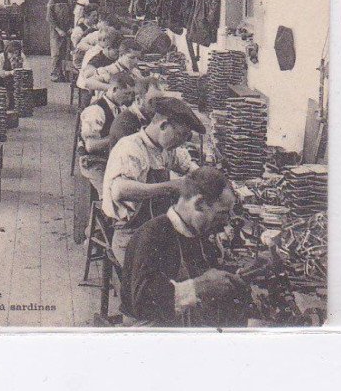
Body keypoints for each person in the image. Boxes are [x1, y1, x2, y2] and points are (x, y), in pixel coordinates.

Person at [121, 167, 248, 327]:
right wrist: (200, 286)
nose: (225, 222)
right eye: (221, 213)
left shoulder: (197, 232)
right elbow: (142, 304)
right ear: (199, 203)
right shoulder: (153, 235)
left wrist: (237, 275)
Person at [102, 96, 204, 265]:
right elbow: (120, 190)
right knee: (153, 282)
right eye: (180, 135)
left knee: (192, 262)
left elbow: (189, 168)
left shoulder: (166, 148)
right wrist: (170, 187)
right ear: (163, 125)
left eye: (186, 138)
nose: (181, 142)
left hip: (155, 228)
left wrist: (205, 178)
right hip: (130, 233)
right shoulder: (131, 147)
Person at [77, 72, 135, 193]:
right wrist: (118, 137)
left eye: (131, 94)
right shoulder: (96, 111)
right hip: (94, 161)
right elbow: (90, 146)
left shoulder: (120, 107)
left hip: (110, 157)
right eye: (126, 94)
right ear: (114, 89)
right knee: (113, 194)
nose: (129, 98)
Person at [109, 75, 165, 149]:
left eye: (162, 101)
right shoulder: (124, 123)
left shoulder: (147, 116)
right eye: (154, 101)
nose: (159, 107)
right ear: (138, 100)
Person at [75, 29, 121, 107]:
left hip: (94, 83)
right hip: (86, 86)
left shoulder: (104, 52)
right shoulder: (95, 53)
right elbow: (87, 73)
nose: (118, 56)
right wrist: (103, 72)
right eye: (117, 52)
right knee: (88, 107)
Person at [47, 0, 73, 82]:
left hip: (66, 31)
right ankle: (54, 74)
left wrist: (70, 27)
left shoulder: (67, 1)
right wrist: (58, 30)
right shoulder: (52, 2)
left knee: (64, 53)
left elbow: (71, 15)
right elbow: (49, 18)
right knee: (56, 53)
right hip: (55, 32)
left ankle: (62, 73)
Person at [0, 40, 26, 109]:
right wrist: (9, 72)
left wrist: (20, 68)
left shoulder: (22, 56)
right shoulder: (2, 56)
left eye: (16, 53)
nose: (13, 55)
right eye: (11, 53)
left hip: (16, 81)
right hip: (5, 79)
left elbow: (27, 69)